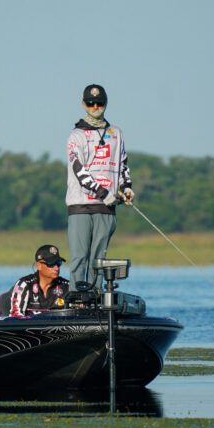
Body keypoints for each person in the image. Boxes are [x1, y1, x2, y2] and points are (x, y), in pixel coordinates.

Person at [65, 84, 134, 290]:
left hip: (107, 208)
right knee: (79, 256)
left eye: (99, 103)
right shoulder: (76, 136)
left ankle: (95, 298)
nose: (95, 106)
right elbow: (79, 170)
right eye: (90, 103)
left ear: (105, 104)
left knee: (99, 258)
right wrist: (102, 192)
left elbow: (123, 165)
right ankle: (76, 299)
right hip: (81, 206)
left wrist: (127, 187)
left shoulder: (116, 133)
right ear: (83, 104)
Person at [9, 245, 70, 317]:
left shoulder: (67, 286)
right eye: (51, 264)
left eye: (58, 263)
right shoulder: (23, 284)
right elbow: (15, 315)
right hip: (29, 327)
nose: (56, 268)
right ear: (39, 266)